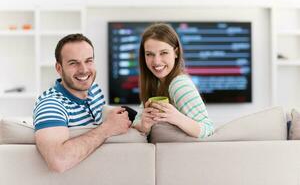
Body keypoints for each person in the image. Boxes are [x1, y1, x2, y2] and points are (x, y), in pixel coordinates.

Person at [33, 34, 132, 173]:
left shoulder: (94, 89)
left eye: (89, 61)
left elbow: (99, 116)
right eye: (73, 63)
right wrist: (107, 128)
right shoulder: (50, 105)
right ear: (59, 68)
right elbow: (58, 161)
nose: (84, 70)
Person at [132, 23, 214, 139]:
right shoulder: (155, 83)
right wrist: (144, 125)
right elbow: (137, 123)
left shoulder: (179, 85)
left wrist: (176, 117)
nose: (156, 61)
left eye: (163, 53)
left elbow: (208, 128)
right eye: (149, 54)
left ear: (175, 52)